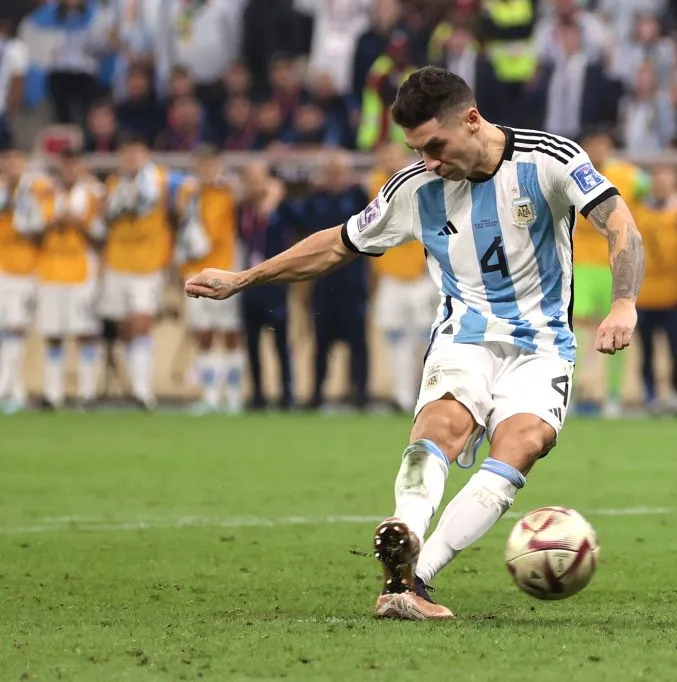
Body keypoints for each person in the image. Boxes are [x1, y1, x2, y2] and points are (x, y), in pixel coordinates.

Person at [184, 66, 644, 620]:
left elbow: (620, 225)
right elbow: (338, 244)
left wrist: (623, 302)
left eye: (435, 145)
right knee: (442, 427)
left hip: (542, 343)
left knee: (523, 443)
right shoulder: (414, 188)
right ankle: (404, 541)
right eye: (418, 149)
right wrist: (243, 278)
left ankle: (412, 581)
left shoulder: (549, 159)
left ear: (472, 120)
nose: (429, 161)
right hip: (463, 336)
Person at [100, 132, 188, 409]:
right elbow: (107, 218)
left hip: (149, 264)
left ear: (145, 154)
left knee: (141, 324)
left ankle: (143, 391)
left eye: (136, 152)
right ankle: (134, 387)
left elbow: (192, 190)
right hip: (118, 262)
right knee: (124, 328)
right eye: (126, 154)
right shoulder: (114, 184)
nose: (131, 159)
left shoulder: (165, 181)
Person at [571, 127, 649, 417]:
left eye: (603, 144)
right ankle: (572, 392)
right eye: (593, 144)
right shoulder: (570, 172)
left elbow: (661, 191)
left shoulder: (632, 176)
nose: (598, 150)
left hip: (614, 264)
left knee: (618, 329)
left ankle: (613, 395)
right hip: (580, 262)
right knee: (575, 328)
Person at [286, 151, 371, 410]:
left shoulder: (358, 197)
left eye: (339, 171)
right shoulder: (316, 199)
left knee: (357, 343)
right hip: (324, 282)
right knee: (321, 342)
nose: (334, 177)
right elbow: (296, 223)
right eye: (330, 172)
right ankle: (316, 394)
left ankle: (360, 395)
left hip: (353, 282)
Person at [367, 141, 438, 413]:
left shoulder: (421, 184)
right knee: (395, 341)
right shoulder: (375, 185)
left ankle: (425, 398)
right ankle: (401, 397)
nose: (389, 159)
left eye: (393, 154)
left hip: (420, 277)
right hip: (391, 278)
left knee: (425, 342)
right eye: (384, 154)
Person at [175, 146, 245, 415]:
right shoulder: (188, 193)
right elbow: (178, 218)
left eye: (212, 166)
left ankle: (234, 397)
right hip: (194, 270)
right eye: (202, 166)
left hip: (225, 269)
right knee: (204, 333)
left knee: (229, 334)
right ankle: (210, 397)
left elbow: (250, 192)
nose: (208, 172)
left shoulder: (229, 189)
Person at [36, 148, 105, 409]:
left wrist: (78, 224)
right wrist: (54, 222)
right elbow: (32, 231)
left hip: (81, 272)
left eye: (75, 165)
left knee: (85, 332)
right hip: (50, 270)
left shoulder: (93, 194)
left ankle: (87, 394)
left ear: (82, 167)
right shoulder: (45, 192)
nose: (70, 171)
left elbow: (100, 237)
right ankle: (53, 395)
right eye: (66, 166)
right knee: (53, 333)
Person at [633, 167, 677, 414]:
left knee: (676, 350)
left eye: (667, 183)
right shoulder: (638, 210)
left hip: (675, 295)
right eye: (658, 182)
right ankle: (650, 396)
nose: (661, 187)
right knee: (647, 351)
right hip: (644, 294)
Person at [0, 149, 54, 414]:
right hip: (1, 270)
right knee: (5, 333)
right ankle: (16, 391)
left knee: (15, 330)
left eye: (17, 160)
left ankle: (7, 391)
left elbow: (42, 230)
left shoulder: (38, 190)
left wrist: (22, 202)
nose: (12, 165)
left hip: (24, 272)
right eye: (8, 160)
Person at [237, 161, 292, 411]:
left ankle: (287, 394)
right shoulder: (241, 210)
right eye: (250, 178)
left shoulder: (281, 208)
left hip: (275, 283)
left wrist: (272, 205)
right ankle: (257, 393)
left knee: (280, 343)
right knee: (252, 343)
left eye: (259, 177)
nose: (254, 183)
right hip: (250, 284)